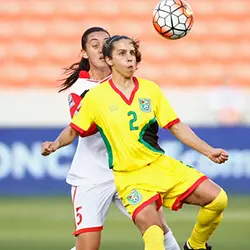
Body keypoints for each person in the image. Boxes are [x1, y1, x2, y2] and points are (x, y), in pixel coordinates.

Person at [42, 35, 229, 250]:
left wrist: (209, 151)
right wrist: (55, 144)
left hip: (160, 166)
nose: (130, 59)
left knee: (218, 200)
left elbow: (176, 126)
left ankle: (195, 245)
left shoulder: (151, 90)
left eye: (132, 53)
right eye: (122, 53)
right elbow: (74, 130)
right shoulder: (96, 97)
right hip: (131, 178)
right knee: (154, 234)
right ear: (109, 60)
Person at [57, 27, 180, 250]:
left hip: (130, 171)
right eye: (95, 45)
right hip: (91, 175)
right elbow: (83, 130)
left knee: (158, 228)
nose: (101, 48)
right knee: (89, 246)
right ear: (84, 53)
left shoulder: (130, 83)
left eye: (106, 43)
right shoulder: (81, 89)